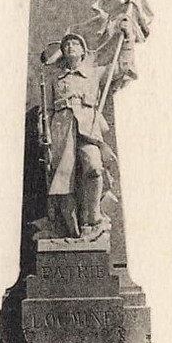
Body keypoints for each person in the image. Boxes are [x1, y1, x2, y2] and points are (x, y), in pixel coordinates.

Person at [42, 33, 113, 240]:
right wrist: (45, 131)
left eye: (76, 43)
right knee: (64, 178)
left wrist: (126, 35)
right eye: (67, 44)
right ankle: (70, 228)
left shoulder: (94, 73)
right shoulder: (54, 79)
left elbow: (122, 65)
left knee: (93, 165)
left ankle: (93, 220)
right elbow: (46, 110)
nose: (71, 46)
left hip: (88, 129)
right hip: (61, 128)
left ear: (83, 51)